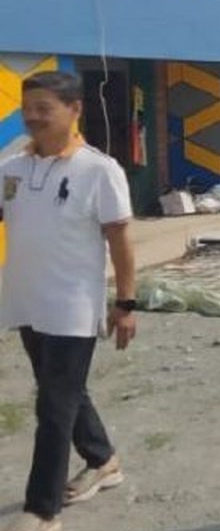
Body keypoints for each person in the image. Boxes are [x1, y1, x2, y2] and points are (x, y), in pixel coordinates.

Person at [0, 72, 136, 531]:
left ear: (75, 108)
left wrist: (127, 303)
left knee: (53, 405)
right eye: (28, 107)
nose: (33, 116)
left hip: (73, 307)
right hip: (26, 301)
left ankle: (41, 510)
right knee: (64, 392)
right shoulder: (12, 168)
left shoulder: (98, 170)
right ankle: (103, 459)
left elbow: (120, 240)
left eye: (45, 108)